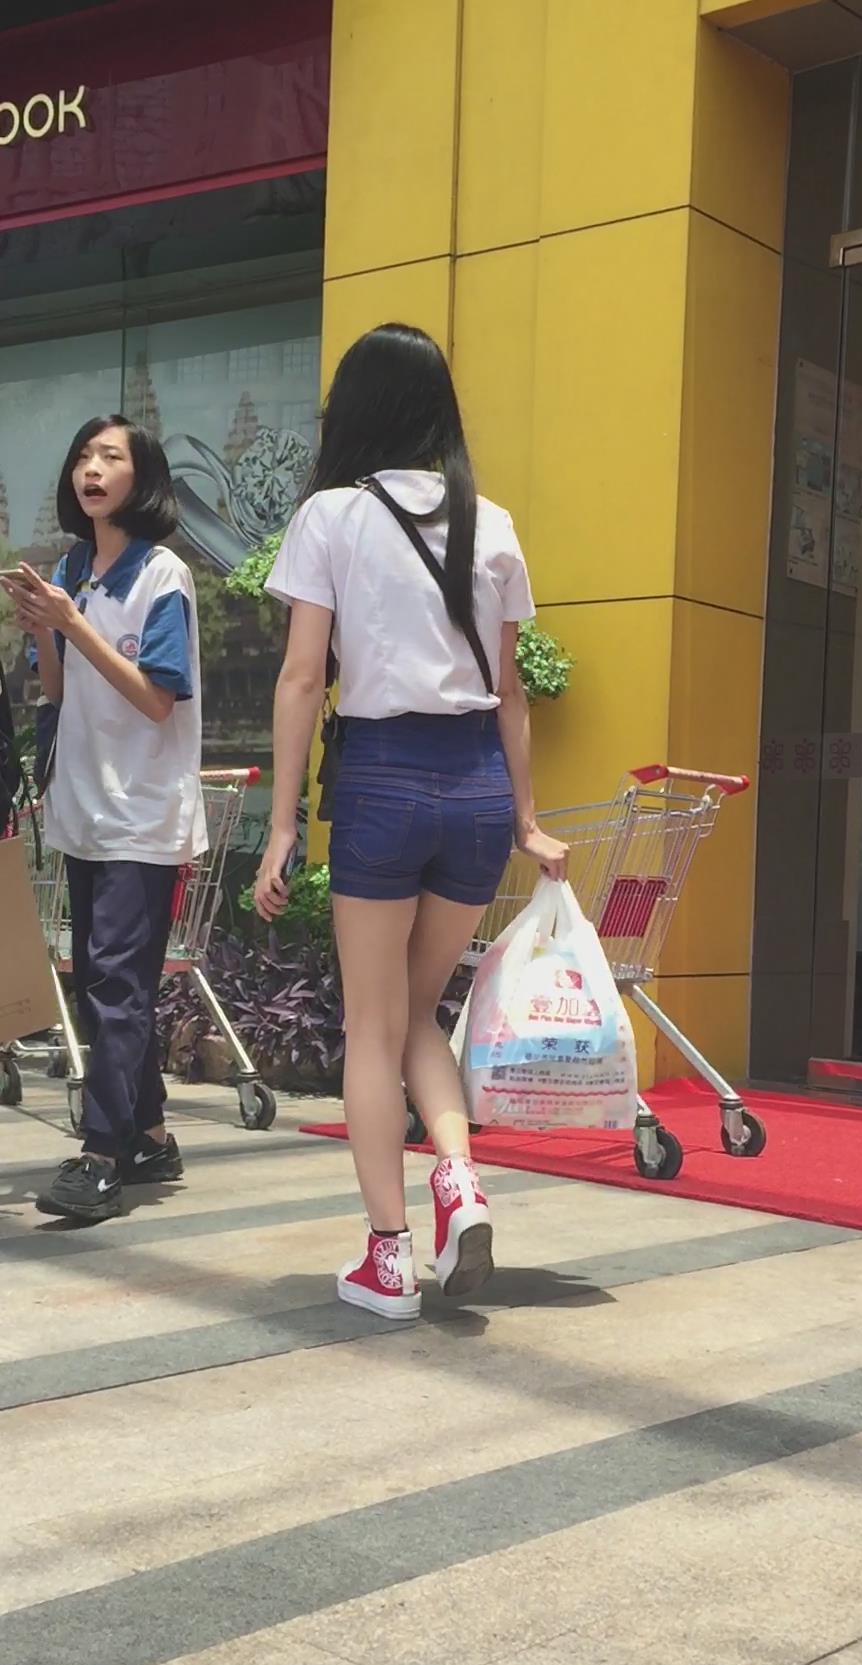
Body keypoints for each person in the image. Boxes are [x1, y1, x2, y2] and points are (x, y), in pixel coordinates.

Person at [254, 322, 567, 1322]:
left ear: (352, 408)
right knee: (417, 1012)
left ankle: (387, 1260)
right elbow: (510, 691)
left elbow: (303, 677)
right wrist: (526, 820)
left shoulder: (331, 516)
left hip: (383, 780)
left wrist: (282, 825)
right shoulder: (492, 522)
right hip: (476, 788)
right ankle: (460, 1181)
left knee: (371, 1024)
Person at [0, 415, 205, 1223]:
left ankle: (101, 1154)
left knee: (115, 986)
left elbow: (158, 698)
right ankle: (150, 1136)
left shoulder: (164, 575)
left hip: (141, 815)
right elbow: (56, 692)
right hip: (84, 807)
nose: (91, 469)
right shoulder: (73, 569)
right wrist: (47, 632)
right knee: (103, 985)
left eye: (110, 457)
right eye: (83, 455)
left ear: (141, 477)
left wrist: (73, 623)